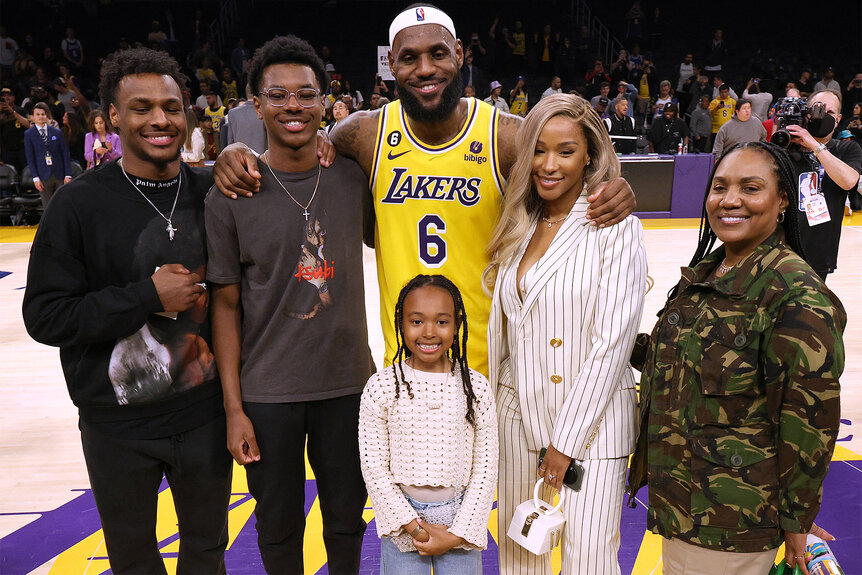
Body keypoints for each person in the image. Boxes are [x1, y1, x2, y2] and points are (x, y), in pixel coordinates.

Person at [212, 4, 636, 377]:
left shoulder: (505, 136)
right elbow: (296, 149)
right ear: (391, 66)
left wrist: (613, 186)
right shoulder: (362, 135)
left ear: (459, 55)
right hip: (405, 362)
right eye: (410, 58)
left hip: (494, 362)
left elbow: (568, 165)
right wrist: (238, 149)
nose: (426, 69)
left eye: (437, 53)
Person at [22, 47, 231, 574]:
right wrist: (146, 297)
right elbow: (45, 316)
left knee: (207, 555)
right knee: (134, 562)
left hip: (204, 417)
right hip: (118, 428)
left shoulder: (213, 191)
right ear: (112, 117)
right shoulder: (78, 204)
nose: (160, 119)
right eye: (141, 108)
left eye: (172, 106)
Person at [627, 142, 845, 575]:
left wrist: (796, 519)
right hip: (683, 506)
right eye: (720, 186)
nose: (730, 200)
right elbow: (682, 362)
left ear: (783, 200)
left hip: (730, 522)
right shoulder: (709, 272)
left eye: (750, 188)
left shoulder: (795, 294)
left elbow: (809, 423)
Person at [206, 35, 374, 574]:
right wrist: (234, 410)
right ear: (255, 105)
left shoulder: (352, 174)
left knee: (347, 518)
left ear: (326, 102)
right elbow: (225, 308)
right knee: (277, 526)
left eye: (306, 95)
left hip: (348, 386)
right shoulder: (231, 193)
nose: (293, 107)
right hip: (268, 394)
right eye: (277, 96)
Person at [485, 94, 647, 575]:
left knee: (589, 563)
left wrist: (565, 444)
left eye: (566, 151)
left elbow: (612, 345)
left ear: (591, 156)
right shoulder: (519, 221)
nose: (548, 164)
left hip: (591, 430)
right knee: (519, 560)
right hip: (519, 421)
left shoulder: (615, 227)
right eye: (538, 149)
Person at [359, 274, 497, 575]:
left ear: (458, 322)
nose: (429, 333)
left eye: (442, 322)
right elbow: (374, 467)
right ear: (401, 321)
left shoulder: (476, 387)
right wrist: (414, 527)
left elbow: (485, 470)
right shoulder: (382, 387)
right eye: (417, 321)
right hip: (403, 523)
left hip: (459, 520)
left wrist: (457, 533)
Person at [786, 90, 862, 279]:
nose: (824, 116)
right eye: (818, 109)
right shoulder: (787, 147)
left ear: (838, 119)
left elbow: (849, 181)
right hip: (780, 249)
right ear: (807, 113)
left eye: (830, 112)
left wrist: (813, 145)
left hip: (819, 252)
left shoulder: (847, 148)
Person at [23, 102, 72, 207]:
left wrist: (68, 174)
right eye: (38, 114)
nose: (41, 117)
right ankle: (50, 224)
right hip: (42, 175)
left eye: (43, 114)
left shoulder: (56, 132)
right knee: (48, 207)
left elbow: (64, 153)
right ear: (32, 117)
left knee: (63, 205)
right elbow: (30, 158)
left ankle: (62, 224)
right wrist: (35, 178)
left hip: (60, 174)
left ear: (47, 116)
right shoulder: (28, 134)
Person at [225, 85, 267, 154]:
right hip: (262, 160)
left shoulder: (233, 113)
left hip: (240, 161)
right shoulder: (265, 112)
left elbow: (230, 142)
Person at [0, 87, 31, 172]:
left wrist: (12, 112)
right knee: (9, 173)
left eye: (9, 95)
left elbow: (28, 125)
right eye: (3, 96)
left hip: (22, 148)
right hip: (7, 150)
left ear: (14, 97)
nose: (6, 98)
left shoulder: (20, 110)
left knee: (25, 172)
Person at [709, 84, 736, 150]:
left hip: (729, 130)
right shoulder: (715, 102)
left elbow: (734, 114)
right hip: (716, 130)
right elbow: (709, 114)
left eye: (725, 92)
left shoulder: (732, 102)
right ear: (719, 92)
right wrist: (716, 108)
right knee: (715, 148)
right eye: (722, 92)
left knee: (727, 148)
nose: (724, 94)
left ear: (728, 92)